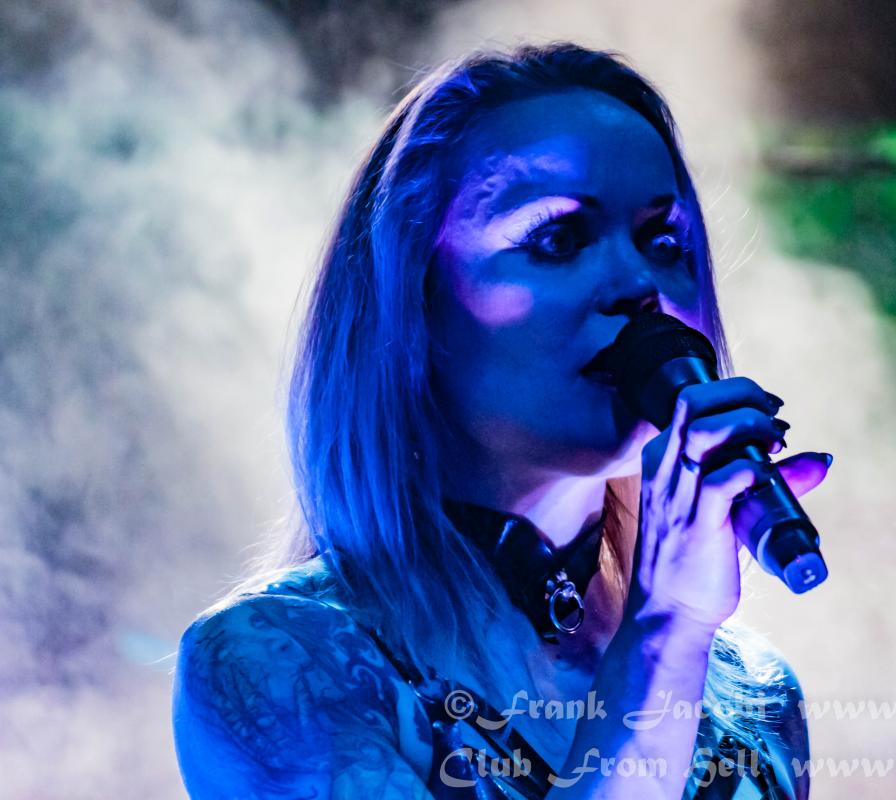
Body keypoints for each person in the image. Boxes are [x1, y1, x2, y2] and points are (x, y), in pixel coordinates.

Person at [172, 41, 831, 799]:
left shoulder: (755, 698)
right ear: (417, 304)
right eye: (557, 238)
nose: (637, 283)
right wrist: (662, 638)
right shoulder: (281, 663)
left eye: (663, 241)